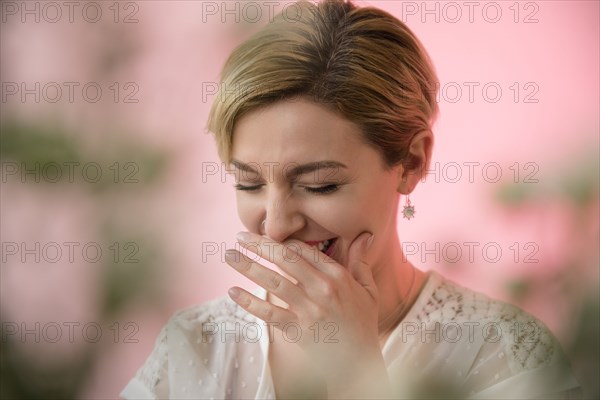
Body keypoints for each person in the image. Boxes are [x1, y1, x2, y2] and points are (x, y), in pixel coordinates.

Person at [121, 0, 582, 398]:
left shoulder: (503, 351)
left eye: (319, 185)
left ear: (411, 161)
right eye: (249, 184)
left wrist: (357, 376)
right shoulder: (194, 346)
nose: (277, 227)